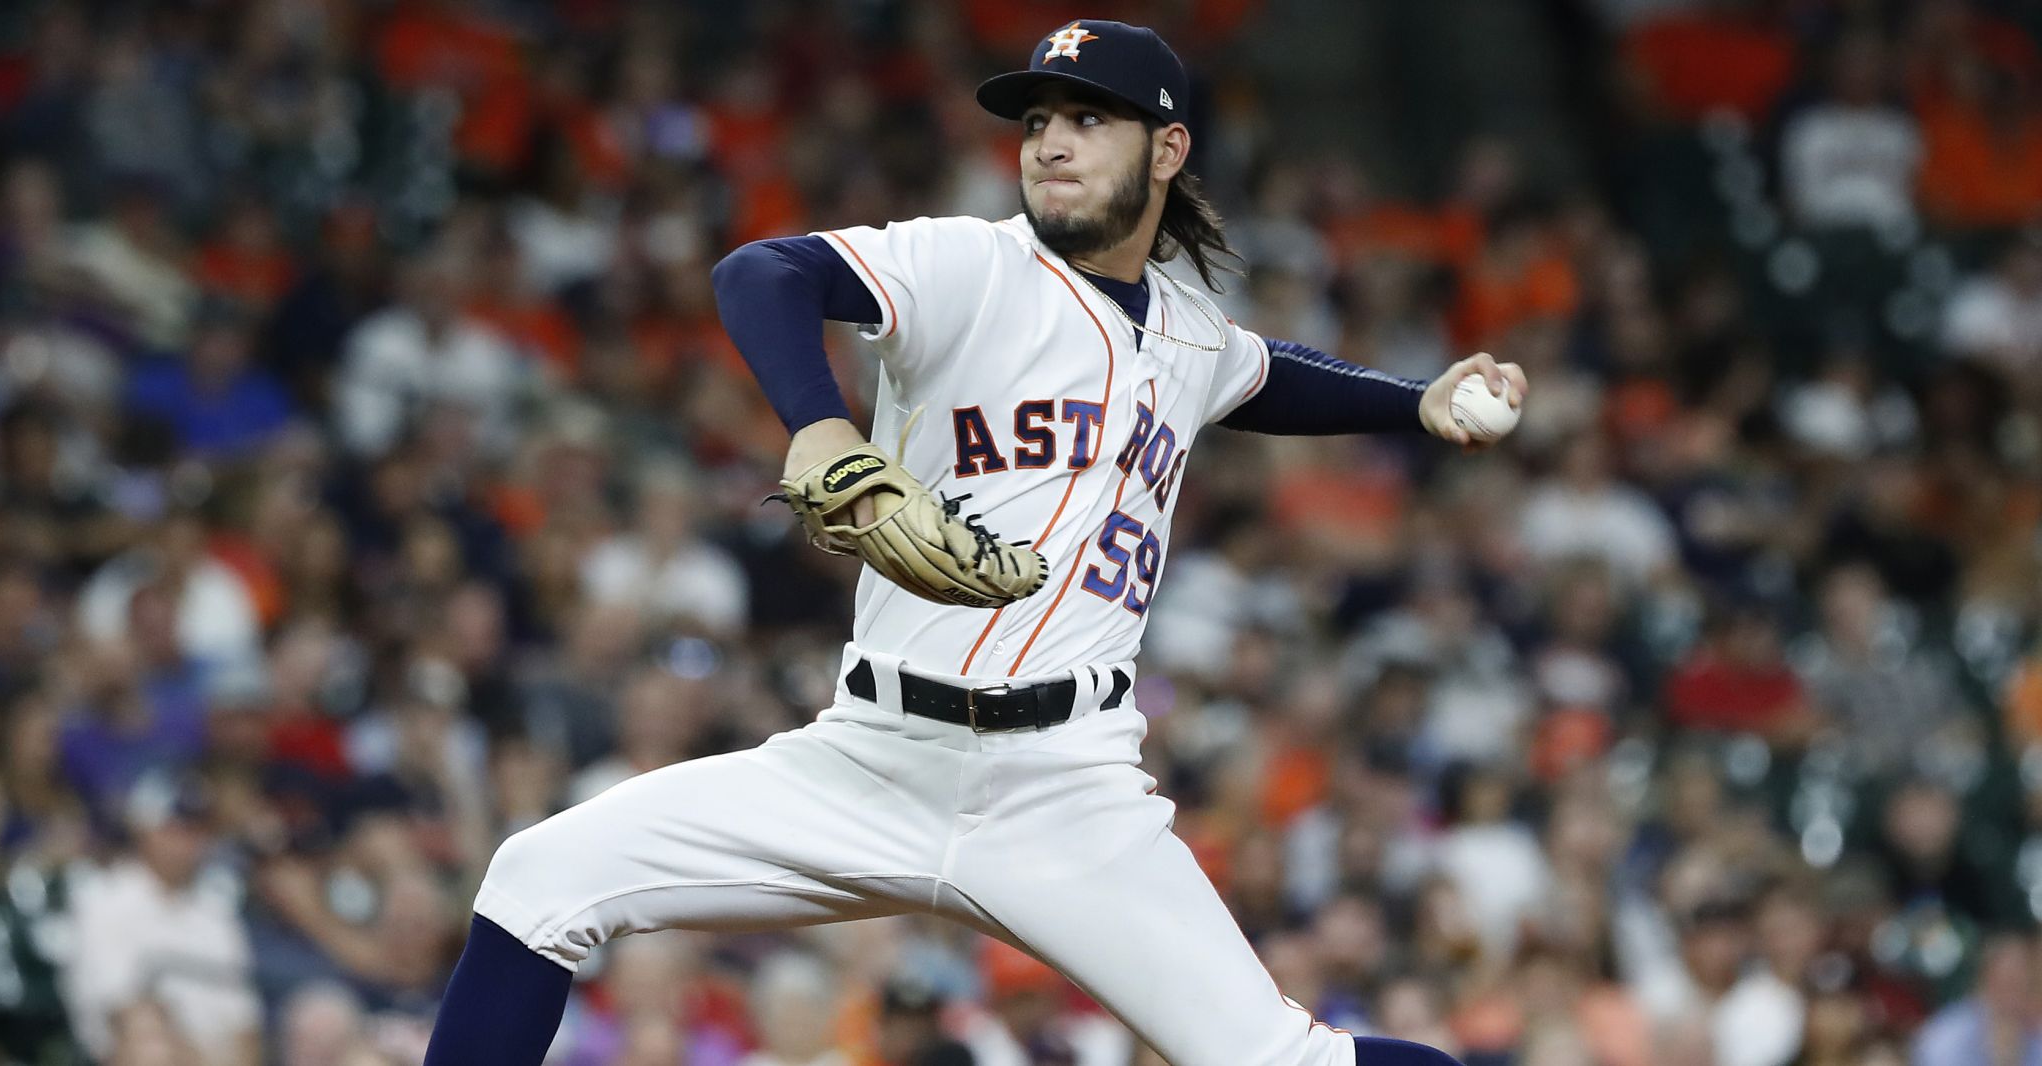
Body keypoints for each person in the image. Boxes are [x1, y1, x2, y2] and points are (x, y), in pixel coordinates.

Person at [423, 19, 1525, 1066]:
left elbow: (1267, 374)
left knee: (1278, 1058)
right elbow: (762, 272)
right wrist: (820, 427)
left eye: (1089, 117)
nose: (1049, 138)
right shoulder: (970, 264)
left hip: (1068, 789)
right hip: (868, 757)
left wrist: (1415, 401)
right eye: (1037, 116)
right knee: (539, 879)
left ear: (1167, 146)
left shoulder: (1188, 328)